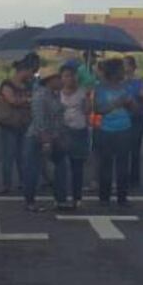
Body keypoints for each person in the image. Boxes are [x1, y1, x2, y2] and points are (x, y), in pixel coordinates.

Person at [23, 65, 70, 212]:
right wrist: (46, 140)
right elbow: (39, 119)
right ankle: (30, 201)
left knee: (61, 166)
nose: (62, 81)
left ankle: (60, 199)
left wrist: (60, 136)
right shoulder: (40, 95)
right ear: (51, 80)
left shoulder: (54, 95)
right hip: (38, 138)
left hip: (54, 136)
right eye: (59, 78)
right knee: (33, 169)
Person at [94, 58, 133, 207]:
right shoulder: (100, 88)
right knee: (106, 164)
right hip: (106, 129)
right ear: (114, 71)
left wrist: (132, 102)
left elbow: (133, 107)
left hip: (124, 128)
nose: (124, 72)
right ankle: (104, 196)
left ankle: (122, 197)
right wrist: (116, 103)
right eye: (121, 69)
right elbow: (98, 109)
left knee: (123, 165)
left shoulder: (125, 87)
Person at [0, 59, 34, 194]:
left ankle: (23, 182)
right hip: (9, 123)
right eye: (30, 71)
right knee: (9, 155)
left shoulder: (28, 84)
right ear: (23, 71)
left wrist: (25, 101)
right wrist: (27, 100)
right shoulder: (7, 84)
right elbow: (12, 101)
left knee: (23, 155)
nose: (32, 74)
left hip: (24, 123)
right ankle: (6, 184)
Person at [60, 62, 90, 209]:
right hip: (62, 131)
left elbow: (87, 111)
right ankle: (60, 197)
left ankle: (77, 197)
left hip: (79, 130)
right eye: (66, 76)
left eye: (72, 76)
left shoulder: (82, 92)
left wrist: (88, 100)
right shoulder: (57, 93)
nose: (69, 79)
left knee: (77, 166)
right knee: (61, 166)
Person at [123, 55, 143, 188]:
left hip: (138, 117)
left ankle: (134, 178)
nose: (124, 67)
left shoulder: (141, 81)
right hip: (123, 117)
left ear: (133, 67)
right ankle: (123, 177)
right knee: (123, 149)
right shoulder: (119, 82)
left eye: (126, 64)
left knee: (135, 148)